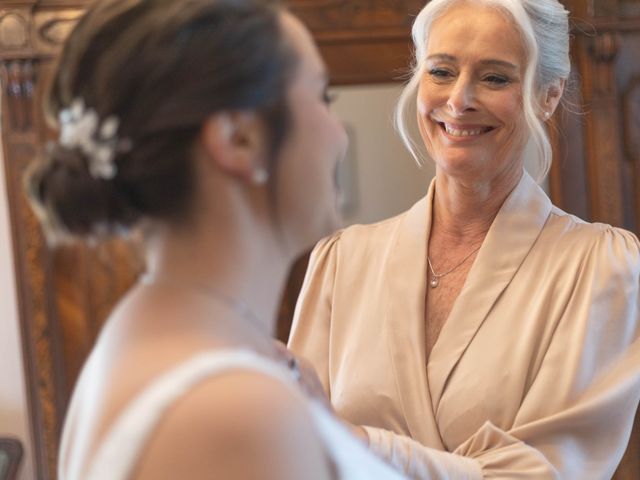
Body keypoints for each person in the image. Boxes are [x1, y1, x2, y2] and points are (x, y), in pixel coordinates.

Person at [25, 0, 408, 478]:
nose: (339, 137)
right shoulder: (233, 414)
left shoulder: (145, 329)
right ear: (238, 139)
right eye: (321, 96)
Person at [288, 0, 640, 478]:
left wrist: (358, 444)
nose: (458, 101)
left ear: (548, 95)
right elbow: (298, 454)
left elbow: (547, 473)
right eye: (441, 71)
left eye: (495, 78)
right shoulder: (341, 263)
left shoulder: (602, 269)